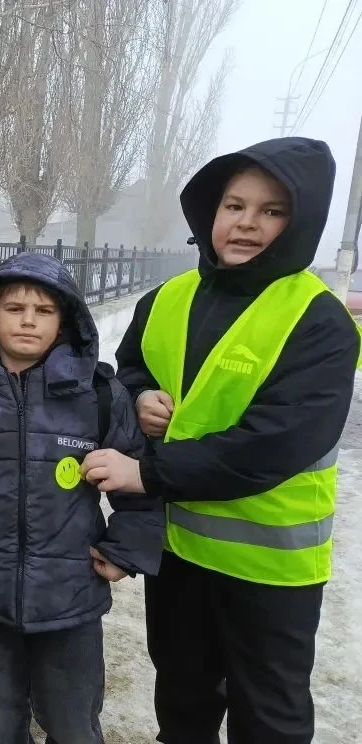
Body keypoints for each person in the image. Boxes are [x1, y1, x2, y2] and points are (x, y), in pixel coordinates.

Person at [80, 137, 362, 744]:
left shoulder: (318, 320)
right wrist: (139, 397)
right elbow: (129, 373)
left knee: (269, 716)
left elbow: (274, 444)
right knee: (183, 698)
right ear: (212, 212)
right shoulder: (166, 298)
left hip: (269, 569)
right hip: (179, 553)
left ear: (299, 223)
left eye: (271, 211)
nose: (247, 223)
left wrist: (146, 474)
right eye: (235, 206)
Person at [0, 251, 165, 744]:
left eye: (43, 311)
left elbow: (141, 486)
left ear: (64, 321)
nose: (28, 320)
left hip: (71, 599)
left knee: (72, 723)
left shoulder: (99, 396)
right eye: (14, 308)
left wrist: (124, 551)